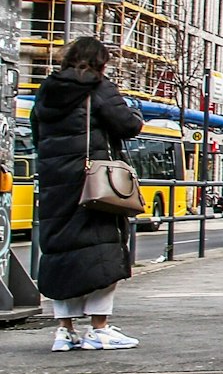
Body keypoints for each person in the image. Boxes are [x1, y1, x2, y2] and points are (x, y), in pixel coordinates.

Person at [33, 37, 146, 352]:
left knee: (63, 253)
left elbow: (37, 132)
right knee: (102, 253)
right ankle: (100, 328)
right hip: (92, 184)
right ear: (101, 62)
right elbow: (126, 125)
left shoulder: (47, 90)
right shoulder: (99, 88)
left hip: (56, 184)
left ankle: (64, 331)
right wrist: (135, 115)